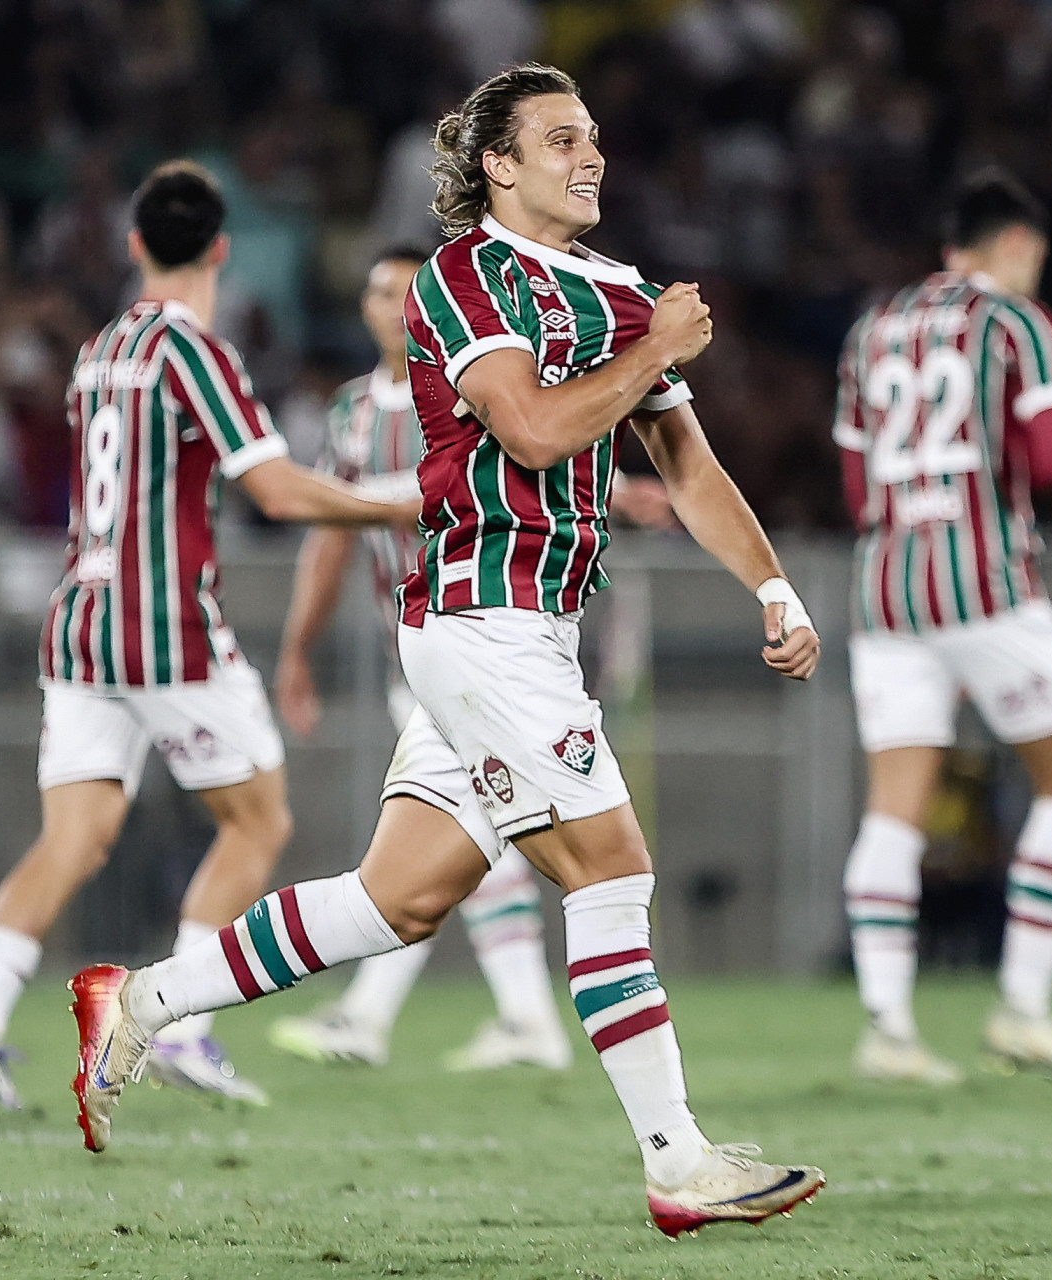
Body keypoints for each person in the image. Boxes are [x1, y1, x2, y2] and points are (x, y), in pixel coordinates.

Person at [67, 65, 826, 1236]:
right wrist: (656, 346)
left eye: (593, 137)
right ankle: (677, 1157)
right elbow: (529, 432)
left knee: (399, 898)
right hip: (483, 625)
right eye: (559, 138)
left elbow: (686, 464)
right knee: (613, 872)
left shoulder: (618, 290)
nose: (591, 157)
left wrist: (772, 586)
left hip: (530, 634)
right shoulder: (465, 275)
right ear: (498, 167)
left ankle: (143, 995)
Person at [0, 161, 419, 1112]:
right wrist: (401, 500)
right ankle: (185, 1028)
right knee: (258, 819)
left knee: (73, 839)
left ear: (135, 245)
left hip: (80, 625)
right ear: (222, 251)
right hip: (166, 630)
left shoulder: (98, 349)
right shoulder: (197, 351)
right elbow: (272, 491)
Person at [267, 246, 673, 1072]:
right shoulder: (351, 414)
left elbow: (539, 456)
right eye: (375, 290)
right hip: (418, 649)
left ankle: (381, 1017)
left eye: (401, 289)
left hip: (485, 639)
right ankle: (518, 1022)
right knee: (464, 853)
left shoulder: (469, 381)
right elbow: (330, 545)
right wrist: (297, 650)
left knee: (456, 856)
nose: (389, 304)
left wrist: (622, 490)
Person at [833, 168, 1052, 1084]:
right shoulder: (1019, 322)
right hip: (987, 583)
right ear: (1020, 245)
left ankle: (888, 1028)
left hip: (884, 589)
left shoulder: (871, 328)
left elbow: (850, 485)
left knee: (895, 809)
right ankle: (1024, 1010)